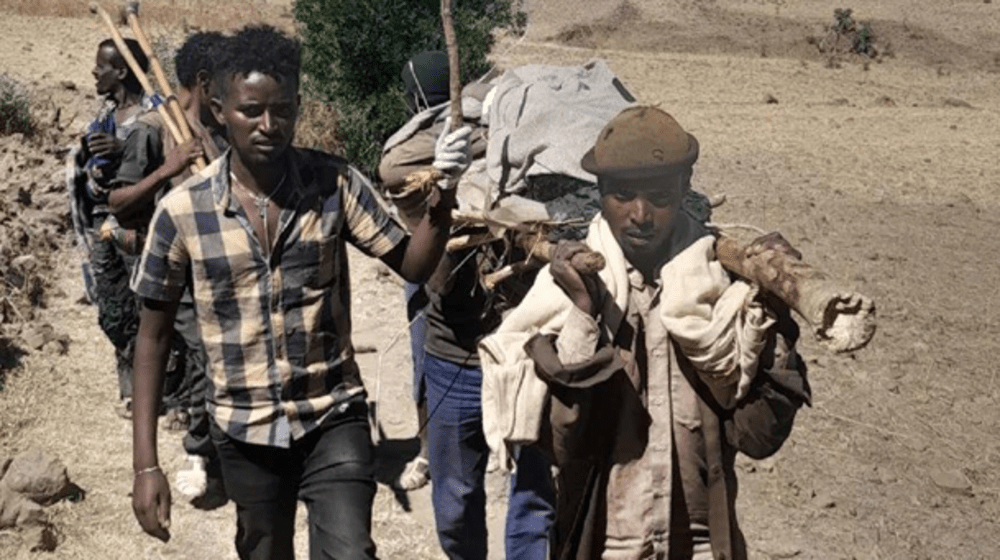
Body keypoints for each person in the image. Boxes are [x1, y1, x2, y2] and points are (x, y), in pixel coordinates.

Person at [128, 25, 466, 559]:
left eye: (282, 110)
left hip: (333, 414)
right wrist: (146, 464)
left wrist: (443, 194)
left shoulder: (333, 184)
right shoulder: (182, 213)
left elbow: (414, 264)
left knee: (350, 551)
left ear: (298, 106)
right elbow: (153, 337)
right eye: (251, 111)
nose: (269, 126)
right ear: (219, 110)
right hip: (244, 429)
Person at [480, 106, 811, 559]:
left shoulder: (720, 296)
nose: (640, 214)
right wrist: (583, 311)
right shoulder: (568, 295)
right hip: (605, 545)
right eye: (622, 195)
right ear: (599, 193)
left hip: (698, 545)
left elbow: (758, 438)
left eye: (658, 195)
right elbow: (562, 445)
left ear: (684, 188)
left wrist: (772, 314)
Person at [379, 51, 554, 560]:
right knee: (455, 501)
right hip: (455, 352)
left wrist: (502, 128)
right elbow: (392, 165)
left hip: (526, 356)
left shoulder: (531, 162)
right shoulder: (428, 175)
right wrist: (471, 138)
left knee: (534, 496)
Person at [67, 38, 153, 418]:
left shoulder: (153, 115)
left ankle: (162, 392)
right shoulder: (102, 116)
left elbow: (165, 162)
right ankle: (134, 385)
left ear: (120, 72)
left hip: (141, 221)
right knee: (113, 307)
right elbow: (86, 171)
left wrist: (123, 150)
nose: (94, 72)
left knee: (148, 306)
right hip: (104, 221)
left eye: (100, 66)